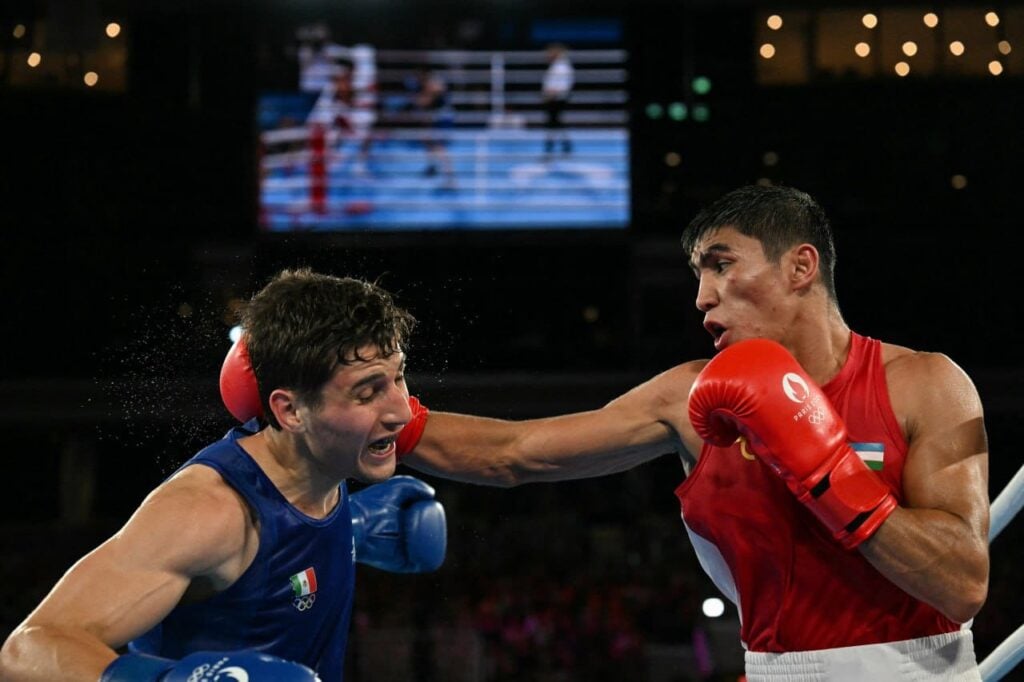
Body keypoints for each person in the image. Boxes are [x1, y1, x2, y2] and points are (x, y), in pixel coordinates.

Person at [208, 185, 990, 679]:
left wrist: (827, 471)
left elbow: (963, 583)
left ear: (800, 266)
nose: (702, 299)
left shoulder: (922, 383)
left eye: (720, 267)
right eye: (695, 277)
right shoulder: (690, 397)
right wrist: (353, 406)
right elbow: (517, 455)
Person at [0, 269, 448, 682]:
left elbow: (279, 551)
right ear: (290, 410)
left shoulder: (324, 471)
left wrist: (356, 528)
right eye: (368, 391)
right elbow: (27, 649)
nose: (399, 410)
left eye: (398, 377)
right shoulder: (213, 512)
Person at [541, 43, 574, 157]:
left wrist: (551, 94)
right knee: (556, 124)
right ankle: (562, 146)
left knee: (555, 123)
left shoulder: (562, 67)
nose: (548, 55)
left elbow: (563, 86)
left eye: (550, 53)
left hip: (557, 100)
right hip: (554, 99)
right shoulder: (556, 66)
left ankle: (555, 147)